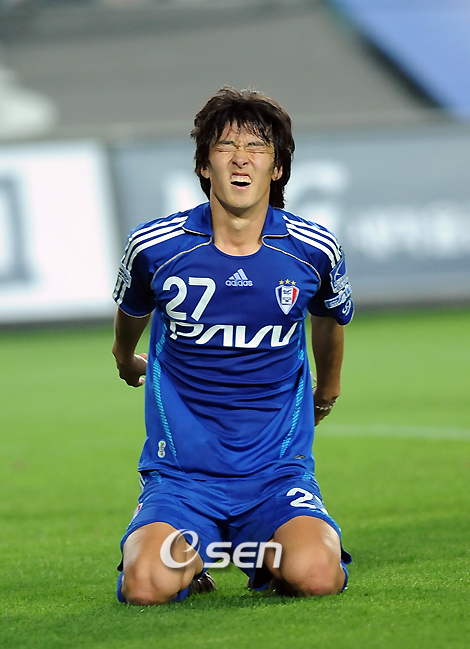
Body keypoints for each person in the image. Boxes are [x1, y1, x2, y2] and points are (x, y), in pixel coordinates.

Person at [112, 86, 353, 606]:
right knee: (145, 587)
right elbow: (132, 309)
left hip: (276, 474)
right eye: (226, 146)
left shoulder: (313, 250)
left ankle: (260, 553)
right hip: (182, 476)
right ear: (204, 165)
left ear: (278, 168)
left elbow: (330, 317)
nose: (241, 158)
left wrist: (328, 389)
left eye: (257, 147)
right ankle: (185, 549)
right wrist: (124, 358)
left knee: (317, 576)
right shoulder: (155, 247)